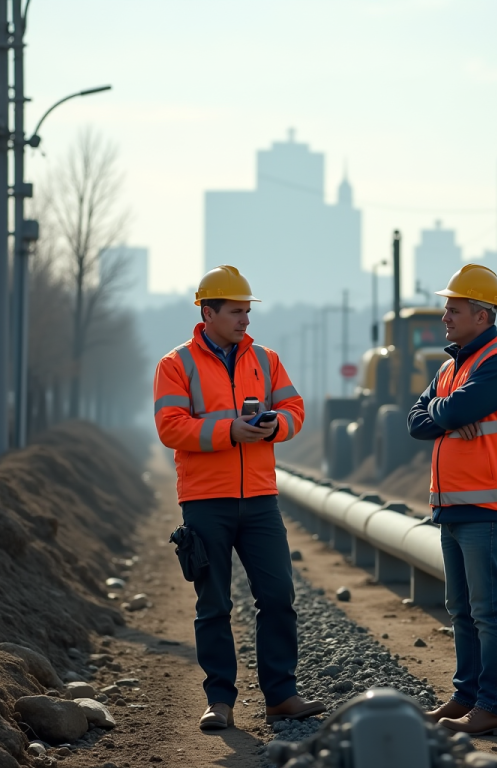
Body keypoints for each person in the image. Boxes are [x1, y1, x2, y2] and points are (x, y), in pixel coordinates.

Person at [153, 265, 324, 731]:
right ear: (207, 313)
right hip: (206, 502)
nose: (245, 320)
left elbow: (295, 410)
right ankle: (220, 701)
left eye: (247, 312)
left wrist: (274, 426)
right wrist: (231, 430)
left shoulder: (265, 360)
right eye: (235, 312)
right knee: (214, 605)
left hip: (261, 501)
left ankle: (281, 696)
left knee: (278, 597)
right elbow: (170, 427)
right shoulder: (175, 365)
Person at [408, 264, 497, 738]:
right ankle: (467, 694)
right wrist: (448, 415)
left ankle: (493, 704)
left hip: (486, 507)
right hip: (453, 505)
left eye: (453, 309)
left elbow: (447, 410)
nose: (444, 317)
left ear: (482, 315)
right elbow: (417, 423)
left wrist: (447, 412)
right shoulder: (449, 366)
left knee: (487, 609)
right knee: (460, 607)